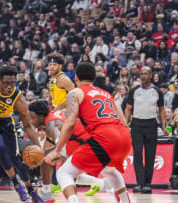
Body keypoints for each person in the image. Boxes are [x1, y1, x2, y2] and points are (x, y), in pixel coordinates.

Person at [45, 62, 132, 203]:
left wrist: (57, 149)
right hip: (124, 138)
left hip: (105, 137)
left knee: (64, 172)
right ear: (94, 79)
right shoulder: (107, 94)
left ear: (76, 78)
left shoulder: (75, 93)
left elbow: (70, 122)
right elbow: (123, 121)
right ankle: (124, 200)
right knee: (109, 170)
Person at [0, 66, 43, 202]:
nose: (10, 86)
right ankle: (16, 184)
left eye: (13, 83)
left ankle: (31, 191)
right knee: (0, 147)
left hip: (6, 124)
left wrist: (38, 147)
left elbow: (27, 126)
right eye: (6, 83)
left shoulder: (18, 98)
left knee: (16, 159)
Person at [28, 101, 88, 202]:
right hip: (80, 140)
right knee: (45, 156)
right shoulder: (52, 116)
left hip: (86, 143)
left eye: (33, 118)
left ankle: (69, 198)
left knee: (65, 174)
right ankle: (46, 192)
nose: (31, 121)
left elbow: (63, 147)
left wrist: (63, 159)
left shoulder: (50, 125)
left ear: (41, 116)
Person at [124, 66, 168, 194]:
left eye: (146, 74)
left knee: (150, 154)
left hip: (151, 125)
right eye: (141, 74)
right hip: (137, 124)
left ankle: (148, 184)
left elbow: (161, 110)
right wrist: (126, 124)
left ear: (151, 75)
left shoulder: (157, 91)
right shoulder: (134, 91)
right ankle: (140, 183)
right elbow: (128, 108)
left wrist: (164, 127)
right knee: (137, 154)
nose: (143, 76)